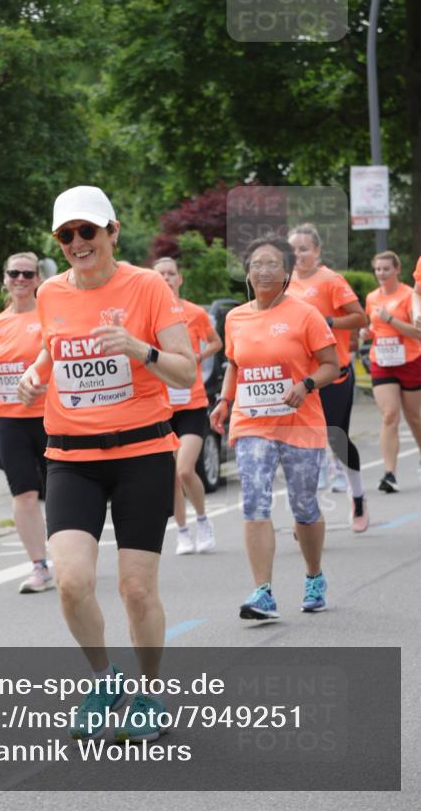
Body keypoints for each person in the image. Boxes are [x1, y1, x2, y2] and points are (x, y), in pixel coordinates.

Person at [18, 186, 195, 742]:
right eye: (66, 235)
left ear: (112, 232)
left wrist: (137, 348)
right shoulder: (49, 292)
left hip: (143, 452)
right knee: (71, 582)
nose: (77, 243)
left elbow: (187, 373)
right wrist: (36, 373)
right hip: (71, 457)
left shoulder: (145, 286)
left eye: (87, 231)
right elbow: (56, 343)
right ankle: (104, 678)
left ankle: (149, 692)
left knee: (136, 590)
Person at [210, 236, 339, 621]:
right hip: (252, 421)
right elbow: (234, 363)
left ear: (286, 273)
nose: (263, 271)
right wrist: (223, 400)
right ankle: (262, 592)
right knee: (254, 499)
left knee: (303, 506)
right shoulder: (236, 317)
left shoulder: (305, 314)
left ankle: (314, 575)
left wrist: (307, 385)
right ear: (247, 273)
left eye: (271, 264)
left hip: (299, 422)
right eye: (256, 264)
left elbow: (331, 364)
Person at [0, 252, 52, 594]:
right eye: (14, 273)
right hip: (8, 416)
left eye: (27, 274)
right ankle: (39, 566)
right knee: (24, 493)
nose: (20, 279)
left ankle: (73, 554)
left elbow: (62, 364)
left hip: (50, 416)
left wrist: (45, 385)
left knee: (59, 492)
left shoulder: (49, 316)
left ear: (37, 279)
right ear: (4, 278)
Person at [287, 224, 369, 532]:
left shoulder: (331, 280)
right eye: (293, 250)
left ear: (317, 251)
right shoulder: (285, 284)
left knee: (336, 439)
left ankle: (358, 495)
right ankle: (306, 514)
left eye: (304, 249)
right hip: (301, 379)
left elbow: (361, 317)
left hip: (333, 373)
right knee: (303, 444)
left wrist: (329, 320)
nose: (298, 255)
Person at [152, 258, 222, 554]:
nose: (166, 278)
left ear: (179, 279)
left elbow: (216, 342)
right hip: (162, 405)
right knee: (170, 476)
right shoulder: (146, 314)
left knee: (184, 470)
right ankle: (182, 532)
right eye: (160, 274)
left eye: (171, 274)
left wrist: (197, 357)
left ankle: (203, 520)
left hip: (191, 402)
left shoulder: (193, 312)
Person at [361, 251, 421, 492]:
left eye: (386, 269)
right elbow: (374, 327)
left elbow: (417, 333)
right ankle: (389, 474)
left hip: (410, 359)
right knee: (389, 415)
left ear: (397, 269)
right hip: (382, 361)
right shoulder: (371, 298)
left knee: (414, 417)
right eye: (378, 269)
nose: (381, 273)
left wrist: (391, 320)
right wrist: (366, 333)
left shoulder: (409, 295)